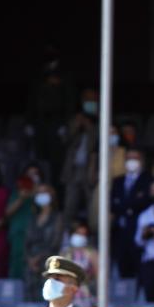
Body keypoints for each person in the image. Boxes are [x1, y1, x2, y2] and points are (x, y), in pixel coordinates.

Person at [109, 149, 150, 279]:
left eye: (135, 158)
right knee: (122, 267)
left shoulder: (147, 180)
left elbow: (144, 203)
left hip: (138, 231)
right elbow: (112, 204)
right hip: (120, 231)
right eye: (129, 158)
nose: (132, 162)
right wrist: (130, 206)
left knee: (139, 267)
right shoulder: (117, 181)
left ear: (141, 161)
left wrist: (124, 206)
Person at [60, 90, 98, 227]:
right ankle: (66, 237)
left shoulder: (102, 118)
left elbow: (98, 144)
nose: (90, 102)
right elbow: (64, 141)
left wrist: (90, 127)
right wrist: (76, 126)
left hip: (92, 169)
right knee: (70, 206)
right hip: (73, 169)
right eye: (87, 99)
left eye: (93, 99)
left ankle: (94, 237)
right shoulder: (75, 119)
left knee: (92, 207)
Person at [23, 185, 65, 300]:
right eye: (39, 192)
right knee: (29, 297)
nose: (42, 195)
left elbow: (55, 243)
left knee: (47, 297)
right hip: (31, 265)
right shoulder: (32, 218)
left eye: (44, 192)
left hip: (49, 263)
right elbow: (26, 242)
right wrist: (30, 260)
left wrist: (39, 258)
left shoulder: (57, 217)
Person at [6, 163, 42, 280]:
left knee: (36, 264)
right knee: (17, 262)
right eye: (30, 174)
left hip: (38, 236)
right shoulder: (18, 193)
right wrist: (22, 197)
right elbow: (7, 213)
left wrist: (36, 193)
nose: (32, 177)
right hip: (19, 234)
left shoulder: (43, 194)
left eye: (35, 174)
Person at [60, 221, 98, 307]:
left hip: (87, 297)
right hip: (68, 296)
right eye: (78, 233)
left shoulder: (91, 253)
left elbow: (99, 275)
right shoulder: (65, 253)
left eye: (83, 234)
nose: (80, 236)